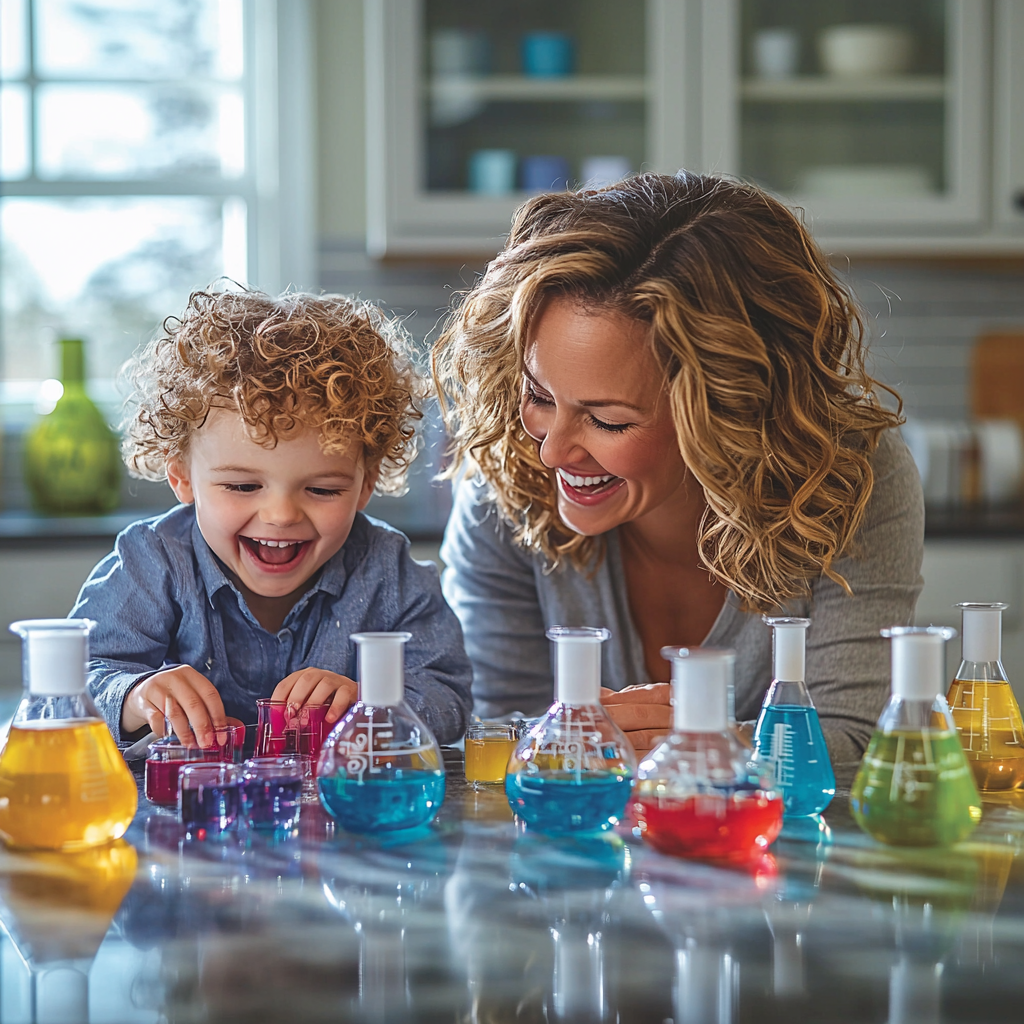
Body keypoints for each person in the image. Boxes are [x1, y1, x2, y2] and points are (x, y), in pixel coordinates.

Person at [433, 172, 923, 763]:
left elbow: (855, 745)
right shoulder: (506, 481)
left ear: (728, 412)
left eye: (607, 421)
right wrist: (709, 746)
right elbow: (495, 738)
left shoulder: (848, 476)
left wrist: (690, 745)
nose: (552, 451)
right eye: (539, 396)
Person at [72, 288, 472, 749]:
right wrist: (136, 697)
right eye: (242, 487)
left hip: (337, 814)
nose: (281, 516)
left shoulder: (389, 572)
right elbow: (68, 689)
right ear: (182, 476)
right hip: (184, 812)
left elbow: (448, 696)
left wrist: (373, 704)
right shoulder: (151, 563)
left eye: (323, 490)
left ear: (366, 484)